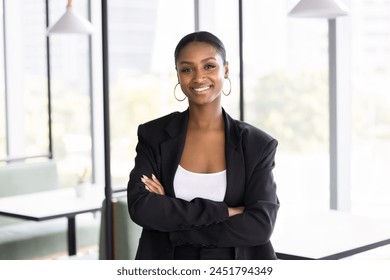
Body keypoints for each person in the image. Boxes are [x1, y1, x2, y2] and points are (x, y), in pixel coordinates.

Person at [127, 31, 279, 260]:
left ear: (225, 70)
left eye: (209, 66)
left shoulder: (257, 145)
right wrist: (225, 211)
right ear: (178, 75)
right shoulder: (154, 135)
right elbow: (142, 207)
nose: (198, 77)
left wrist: (173, 221)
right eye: (187, 69)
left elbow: (259, 226)